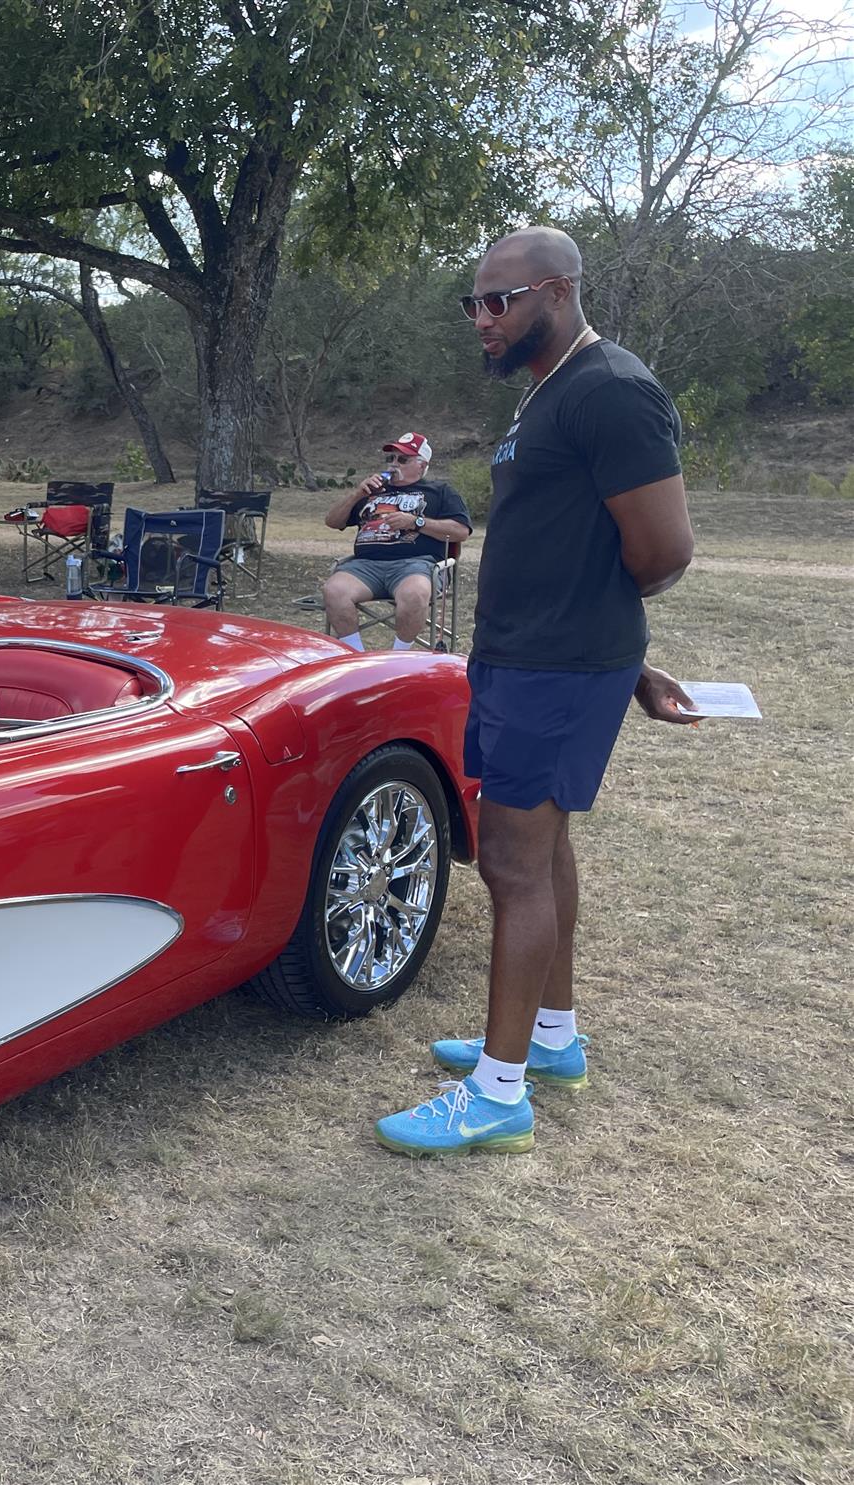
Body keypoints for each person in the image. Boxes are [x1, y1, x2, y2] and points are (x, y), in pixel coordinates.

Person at [375, 225, 697, 1157]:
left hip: (553, 671)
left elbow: (663, 551)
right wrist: (620, 660)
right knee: (541, 851)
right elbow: (572, 541)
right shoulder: (547, 390)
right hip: (527, 663)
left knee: (513, 866)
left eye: (499, 301)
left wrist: (600, 653)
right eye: (472, 302)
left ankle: (498, 1093)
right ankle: (551, 1040)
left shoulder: (611, 389)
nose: (482, 318)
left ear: (557, 292)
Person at [321, 433, 474, 650]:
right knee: (334, 589)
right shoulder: (373, 492)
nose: (394, 464)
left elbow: (461, 531)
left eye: (402, 459)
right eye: (390, 458)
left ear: (422, 465)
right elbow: (332, 522)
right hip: (365, 566)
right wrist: (357, 494)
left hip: (416, 565)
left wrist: (416, 522)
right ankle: (356, 655)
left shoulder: (440, 492)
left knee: (415, 593)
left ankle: (398, 655)